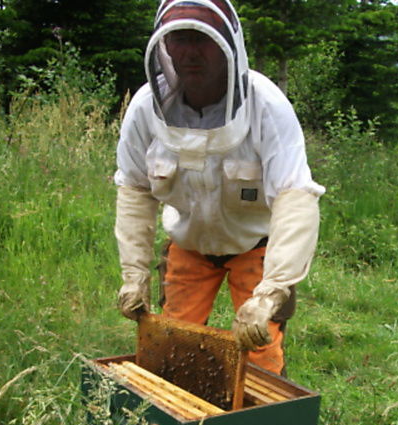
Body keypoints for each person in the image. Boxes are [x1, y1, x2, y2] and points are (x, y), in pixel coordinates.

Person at [114, 0, 324, 375]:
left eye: (202, 39)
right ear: (164, 46)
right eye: (180, 38)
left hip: (254, 246)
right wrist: (134, 274)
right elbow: (134, 190)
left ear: (227, 44)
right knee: (177, 343)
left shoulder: (267, 104)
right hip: (189, 246)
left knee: (260, 350)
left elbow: (295, 197)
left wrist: (271, 292)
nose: (191, 52)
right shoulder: (147, 106)